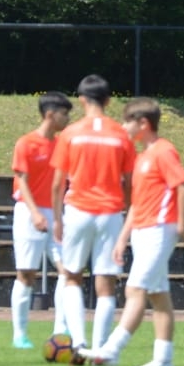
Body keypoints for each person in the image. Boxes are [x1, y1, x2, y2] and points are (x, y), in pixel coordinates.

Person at [79, 97, 184, 366]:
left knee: (135, 289)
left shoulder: (164, 151)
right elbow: (137, 204)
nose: (124, 127)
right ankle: (163, 360)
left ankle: (111, 350)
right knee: (158, 295)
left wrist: (182, 226)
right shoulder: (142, 157)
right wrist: (123, 238)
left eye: (127, 122)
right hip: (144, 230)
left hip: (159, 229)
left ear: (143, 123)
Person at [50, 74, 135, 350]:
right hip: (110, 213)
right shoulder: (121, 134)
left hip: (78, 210)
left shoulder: (70, 133)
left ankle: (79, 342)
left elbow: (57, 183)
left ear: (81, 100)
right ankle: (100, 347)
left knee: (72, 276)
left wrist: (57, 219)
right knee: (106, 282)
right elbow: (129, 181)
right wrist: (126, 211)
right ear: (109, 101)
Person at [9, 91, 72, 349]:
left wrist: (58, 216)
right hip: (28, 212)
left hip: (55, 213)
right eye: (64, 114)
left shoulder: (62, 145)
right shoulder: (26, 143)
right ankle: (19, 334)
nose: (67, 119)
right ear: (50, 114)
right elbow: (21, 182)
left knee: (68, 270)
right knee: (26, 274)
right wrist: (35, 213)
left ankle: (60, 329)